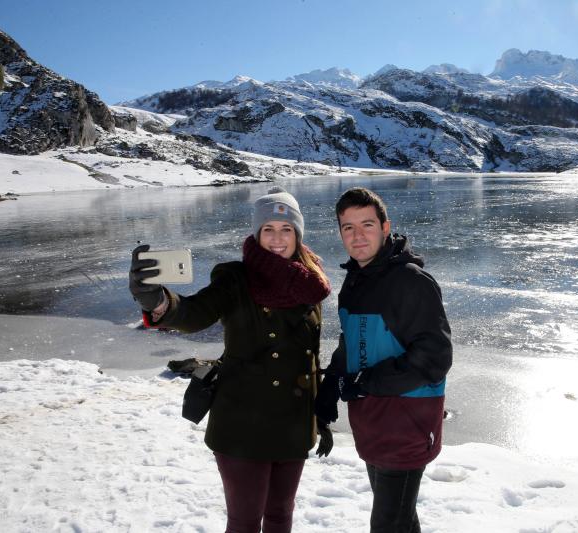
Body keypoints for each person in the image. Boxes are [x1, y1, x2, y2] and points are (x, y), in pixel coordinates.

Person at [128, 186, 332, 533]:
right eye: (268, 229)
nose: (277, 238)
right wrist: (158, 302)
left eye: (286, 230)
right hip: (243, 424)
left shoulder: (309, 283)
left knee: (282, 517)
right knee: (245, 522)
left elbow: (309, 357)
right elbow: (194, 313)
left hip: (294, 424)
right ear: (256, 233)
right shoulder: (235, 279)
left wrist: (321, 415)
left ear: (298, 234)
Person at [315, 187, 453, 533]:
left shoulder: (411, 281)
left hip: (407, 424)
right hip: (373, 423)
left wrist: (366, 383)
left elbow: (434, 358)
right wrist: (329, 390)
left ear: (385, 227)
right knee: (400, 521)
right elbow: (351, 344)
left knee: (388, 524)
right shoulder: (356, 282)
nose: (358, 235)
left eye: (367, 225)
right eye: (348, 227)